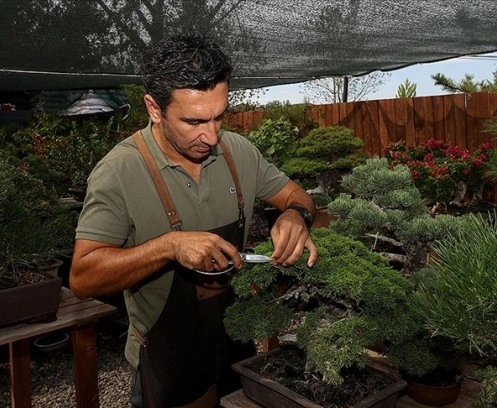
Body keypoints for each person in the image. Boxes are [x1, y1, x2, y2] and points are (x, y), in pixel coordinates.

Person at [69, 33, 318, 408]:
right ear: (154, 108)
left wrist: (296, 216)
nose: (212, 135)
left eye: (220, 116)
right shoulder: (119, 171)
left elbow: (298, 197)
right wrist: (169, 246)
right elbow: (82, 277)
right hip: (166, 356)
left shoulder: (239, 152)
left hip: (234, 341)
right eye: (195, 121)